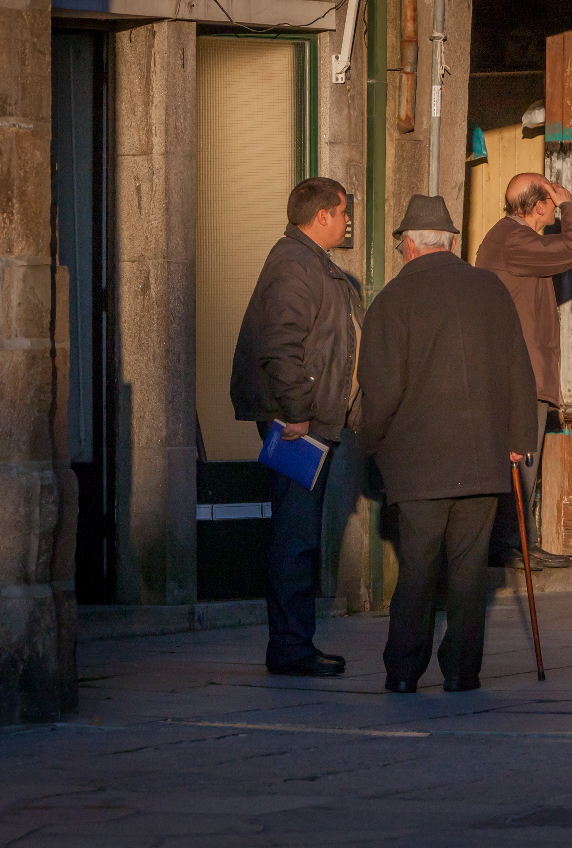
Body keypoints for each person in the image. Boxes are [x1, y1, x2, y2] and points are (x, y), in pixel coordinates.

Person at [357, 195, 538, 694]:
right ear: (453, 243)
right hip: (483, 459)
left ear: (408, 245)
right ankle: (462, 670)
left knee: (417, 569)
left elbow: (381, 392)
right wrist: (519, 438)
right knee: (469, 572)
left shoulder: (392, 300)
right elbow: (518, 368)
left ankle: (403, 671)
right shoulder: (490, 288)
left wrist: (369, 441)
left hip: (420, 462)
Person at [230, 176, 363, 676]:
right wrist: (297, 412)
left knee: (299, 533)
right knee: (295, 535)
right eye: (343, 211)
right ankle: (289, 646)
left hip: (312, 418)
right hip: (298, 424)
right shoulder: (294, 264)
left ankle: (294, 642)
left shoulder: (310, 261)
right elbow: (281, 345)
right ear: (322, 215)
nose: (347, 220)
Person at [474, 173, 572, 570]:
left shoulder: (515, 239)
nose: (555, 204)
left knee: (526, 458)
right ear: (539, 206)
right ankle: (508, 543)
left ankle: (521, 539)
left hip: (522, 369)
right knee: (520, 456)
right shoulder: (513, 240)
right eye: (551, 198)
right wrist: (570, 205)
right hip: (518, 372)